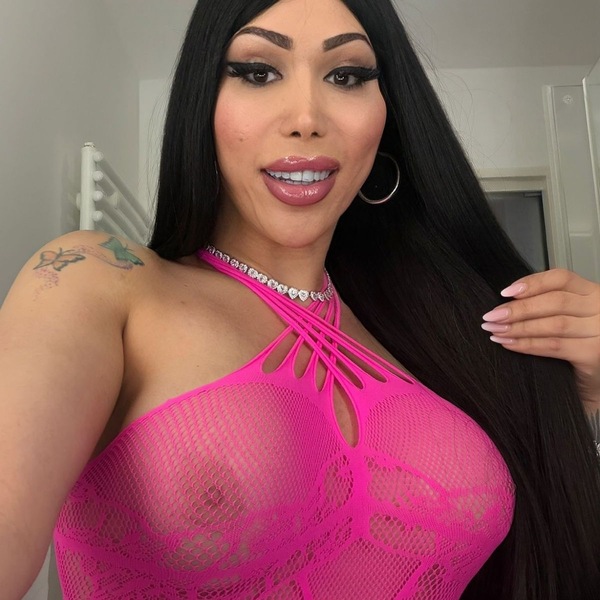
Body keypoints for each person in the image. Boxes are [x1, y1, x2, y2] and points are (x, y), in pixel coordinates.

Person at [1, 0, 599, 598]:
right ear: (203, 100)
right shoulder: (99, 282)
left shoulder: (436, 340)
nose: (307, 118)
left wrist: (589, 396)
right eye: (258, 72)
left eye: (347, 75)